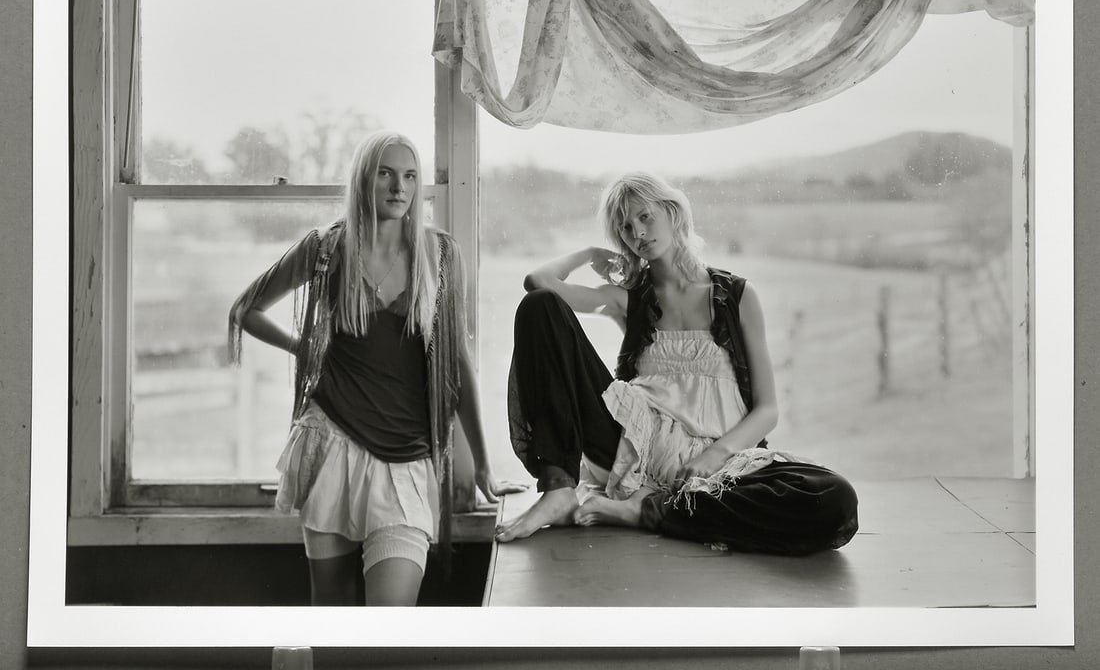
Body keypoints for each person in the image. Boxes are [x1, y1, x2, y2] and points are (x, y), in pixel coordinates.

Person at [496, 172, 858, 555]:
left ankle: (650, 511)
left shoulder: (737, 297)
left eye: (645, 216)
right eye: (625, 227)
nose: (637, 232)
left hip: (721, 466)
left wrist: (714, 455)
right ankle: (559, 490)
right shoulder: (628, 299)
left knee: (833, 498)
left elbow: (767, 410)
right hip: (632, 448)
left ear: (672, 212)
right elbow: (537, 283)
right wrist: (589, 254)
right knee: (539, 307)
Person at [229, 131, 513, 606]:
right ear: (364, 179)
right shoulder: (325, 249)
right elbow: (246, 310)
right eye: (385, 173)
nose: (399, 187)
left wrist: (483, 464)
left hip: (408, 457)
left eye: (409, 176)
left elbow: (457, 363)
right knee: (333, 618)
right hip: (332, 442)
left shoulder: (440, 255)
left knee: (390, 627)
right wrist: (303, 348)